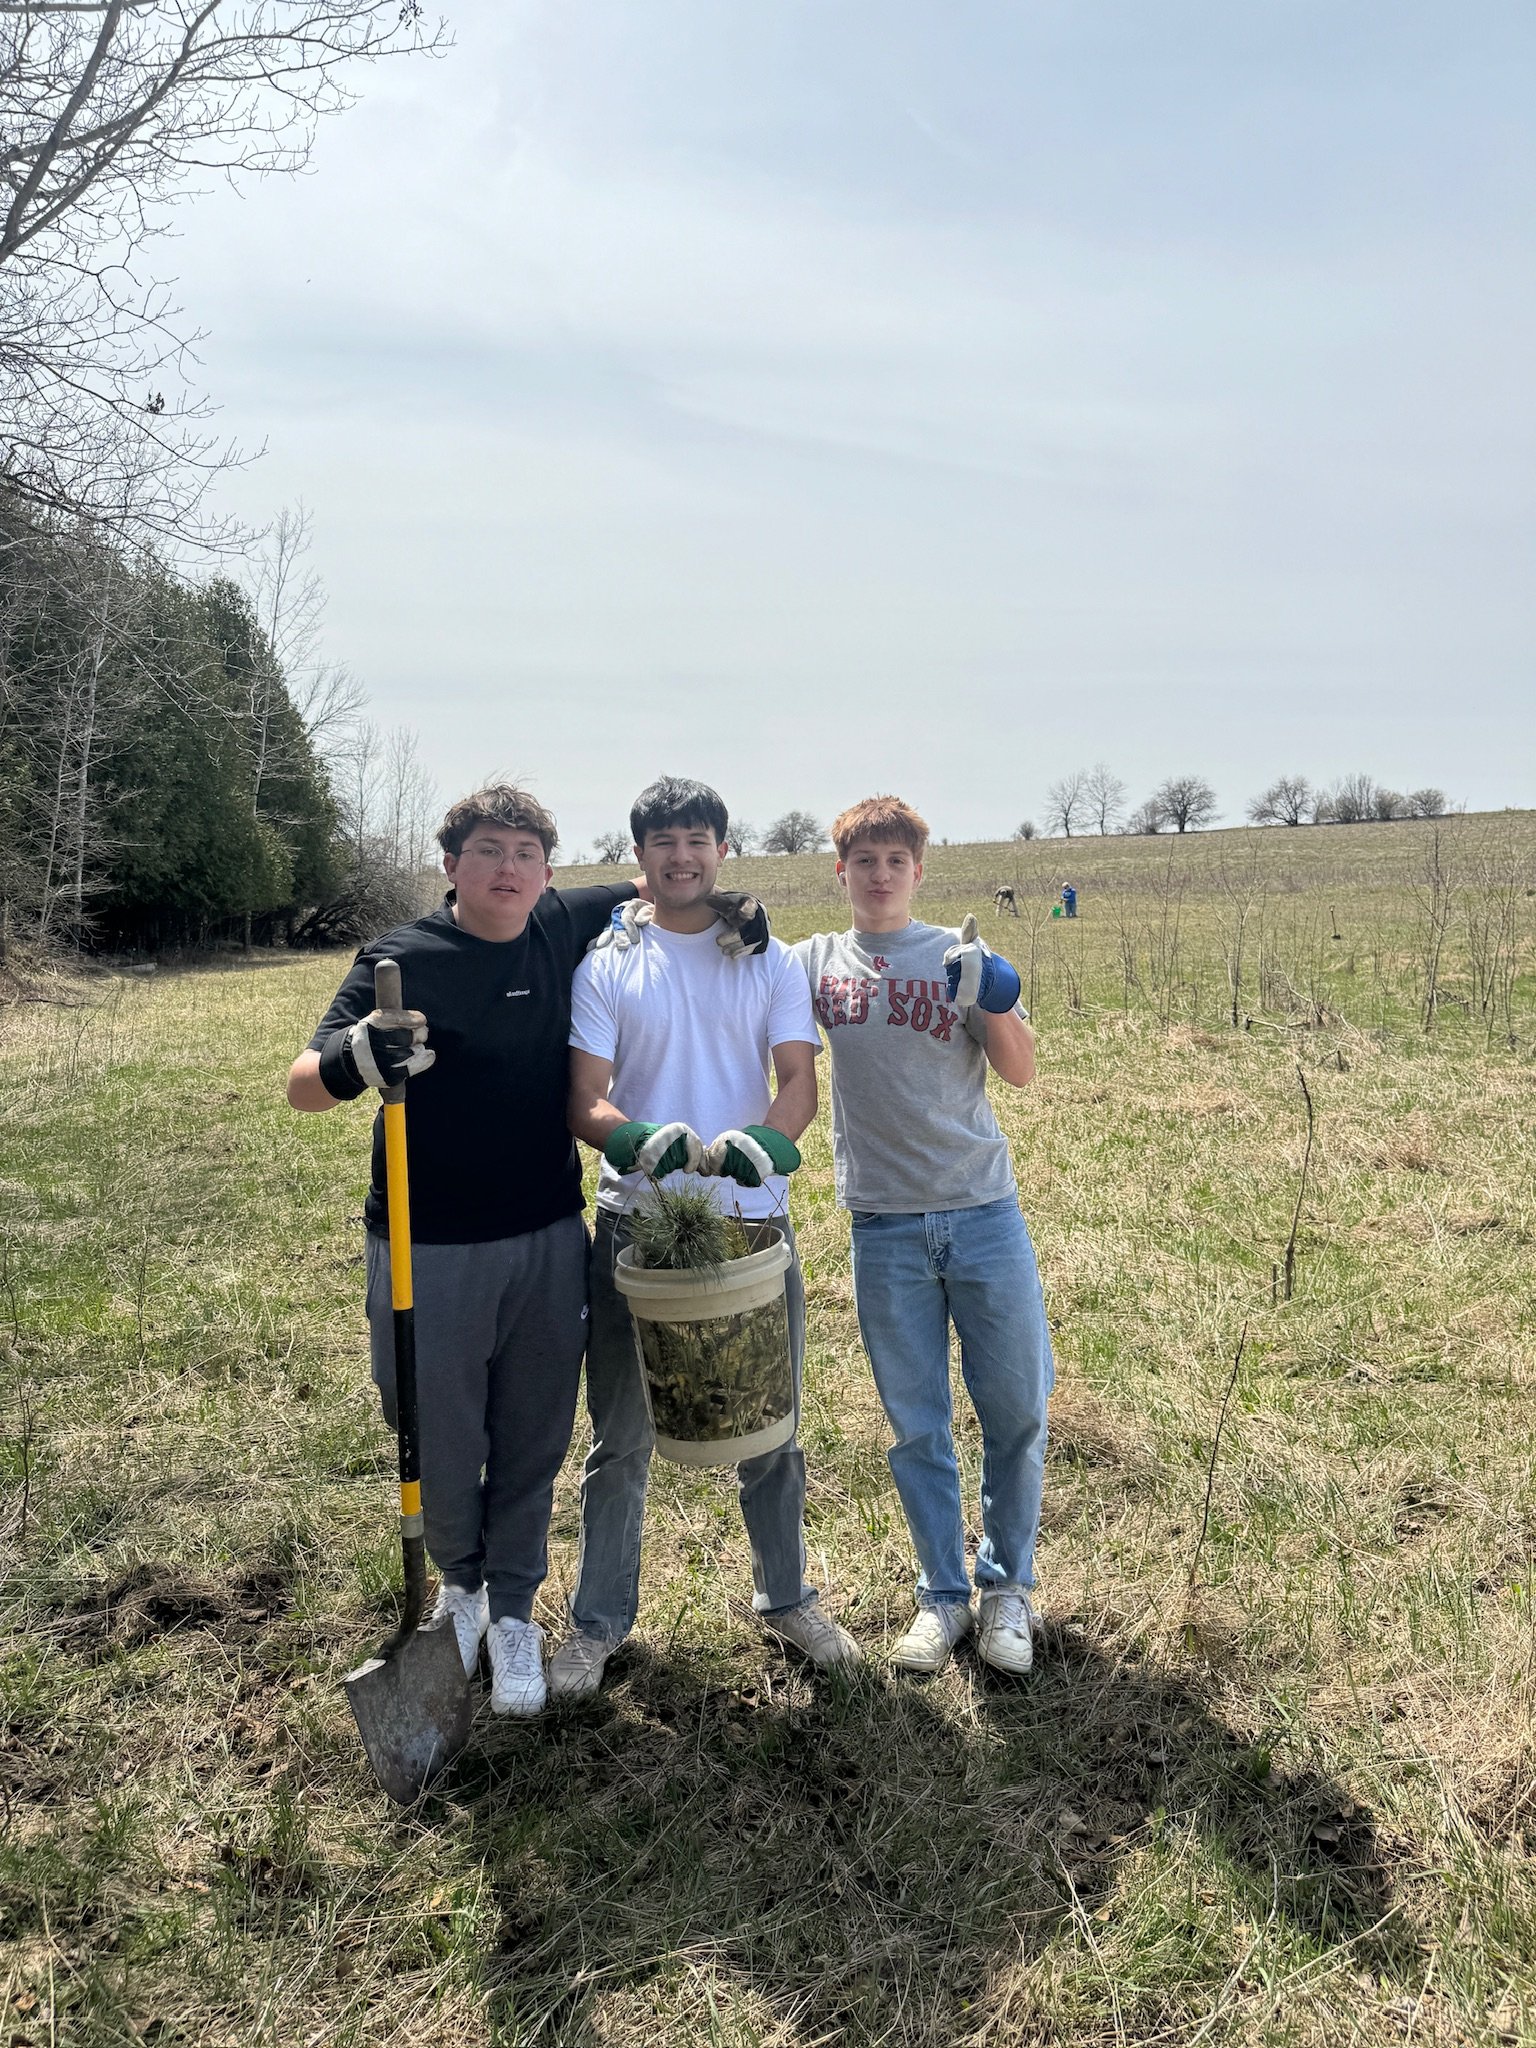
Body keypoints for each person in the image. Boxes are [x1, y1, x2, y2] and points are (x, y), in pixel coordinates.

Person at [286, 786, 765, 1719]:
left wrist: (735, 909)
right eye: (487, 851)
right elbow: (304, 1088)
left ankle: (513, 1609)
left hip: (547, 1236)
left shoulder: (563, 921)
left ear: (545, 869)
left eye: (524, 853)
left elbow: (661, 882)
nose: (508, 869)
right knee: (440, 1430)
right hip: (430, 1246)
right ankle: (459, 1595)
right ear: (451, 864)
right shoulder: (401, 960)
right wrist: (359, 1059)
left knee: (535, 1435)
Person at [551, 775, 860, 1697]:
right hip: (638, 1226)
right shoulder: (607, 962)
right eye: (663, 842)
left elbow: (798, 1078)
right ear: (638, 855)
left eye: (698, 840)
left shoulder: (764, 958)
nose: (681, 856)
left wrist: (772, 1140)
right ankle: (598, 1624)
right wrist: (633, 1138)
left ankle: (787, 1596)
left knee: (770, 1426)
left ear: (723, 848)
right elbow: (584, 1096)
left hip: (750, 1223)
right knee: (622, 1436)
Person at [792, 795, 1052, 1675]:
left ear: (918, 871)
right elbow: (738, 987)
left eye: (896, 861)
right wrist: (713, 921)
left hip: (982, 1213)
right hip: (885, 1226)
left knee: (1016, 1410)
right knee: (916, 1425)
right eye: (864, 861)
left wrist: (998, 998)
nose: (880, 875)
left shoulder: (954, 956)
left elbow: (1017, 1072)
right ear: (841, 872)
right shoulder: (814, 963)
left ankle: (1007, 1590)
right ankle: (943, 1598)